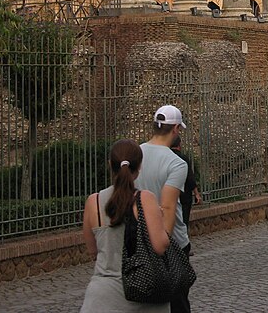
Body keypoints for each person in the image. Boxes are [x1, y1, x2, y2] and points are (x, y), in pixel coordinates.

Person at [81, 139, 170, 313]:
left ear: (110, 165)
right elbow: (160, 246)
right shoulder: (145, 199)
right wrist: (161, 218)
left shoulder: (94, 201)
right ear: (139, 167)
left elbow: (92, 250)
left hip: (103, 297)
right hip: (144, 295)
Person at [136, 105, 192, 313]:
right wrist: (163, 246)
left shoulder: (136, 153)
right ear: (176, 128)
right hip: (170, 242)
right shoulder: (176, 163)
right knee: (178, 304)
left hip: (140, 237)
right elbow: (168, 207)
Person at [171, 135, 202, 225]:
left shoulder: (166, 157)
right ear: (179, 145)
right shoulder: (183, 158)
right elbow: (190, 178)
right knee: (184, 219)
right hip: (184, 193)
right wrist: (196, 194)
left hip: (169, 193)